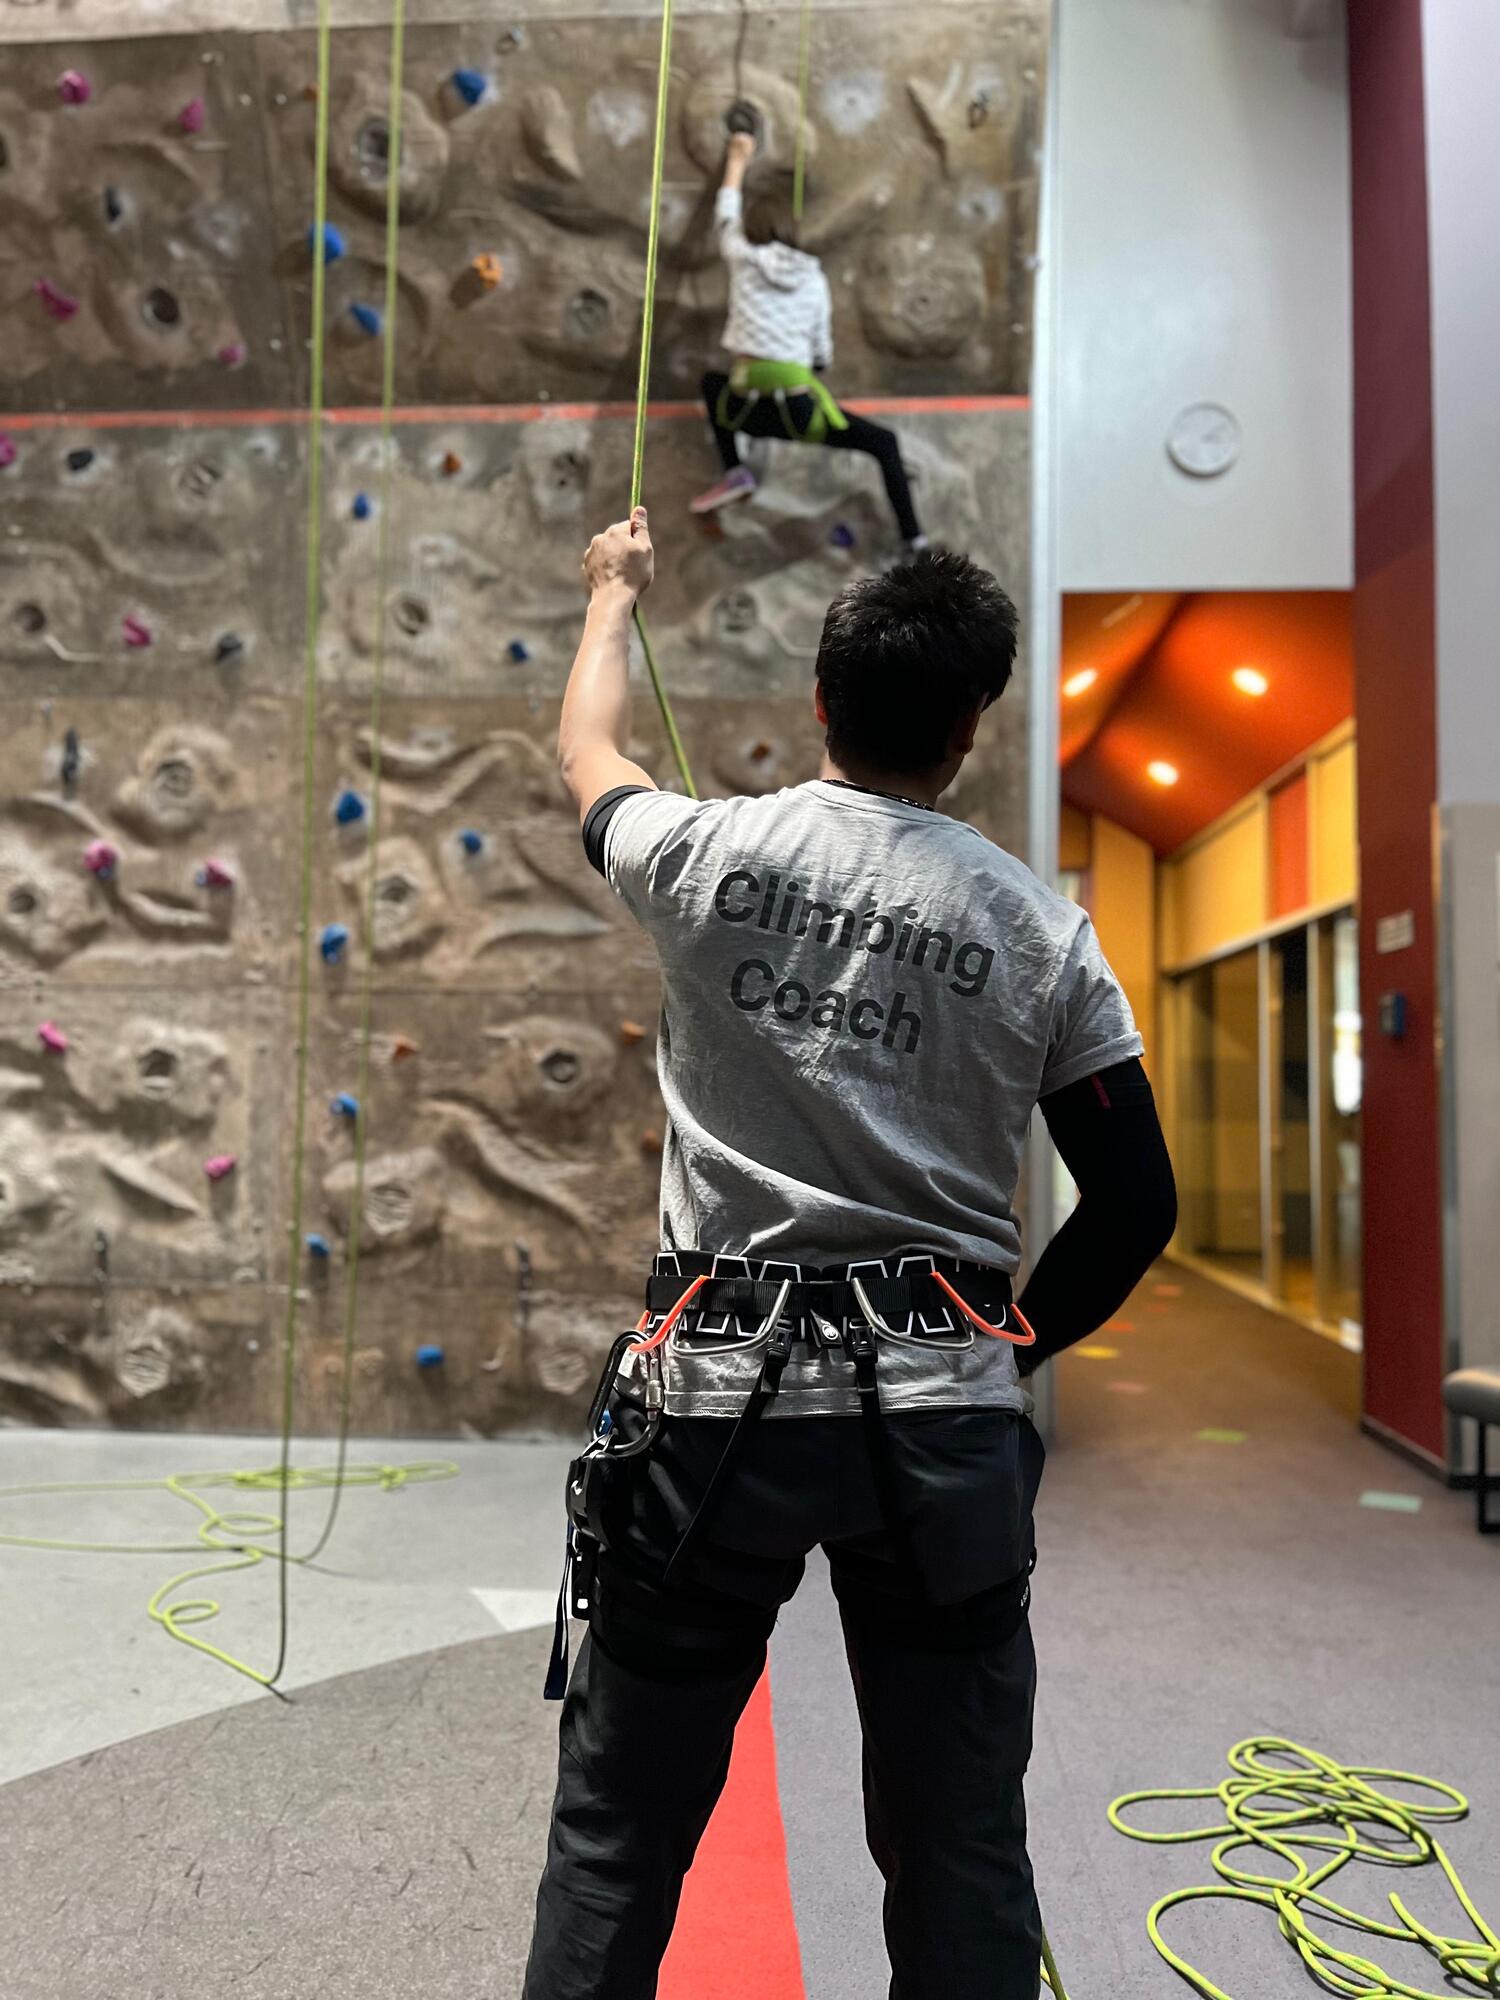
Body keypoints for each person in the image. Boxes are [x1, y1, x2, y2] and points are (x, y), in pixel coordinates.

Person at [522, 507, 1177, 2000]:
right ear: (968, 727)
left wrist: (612, 596)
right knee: (956, 1848)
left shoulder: (703, 854)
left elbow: (586, 755)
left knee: (618, 1837)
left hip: (713, 1417)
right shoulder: (1039, 932)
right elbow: (1135, 1206)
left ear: (822, 700)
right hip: (940, 1422)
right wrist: (1009, 1342)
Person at [692, 128, 928, 552]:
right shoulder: (813, 276)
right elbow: (822, 350)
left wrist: (737, 159)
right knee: (884, 444)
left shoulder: (742, 258)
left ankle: (736, 469)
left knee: (711, 384)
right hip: (800, 410)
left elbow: (724, 214)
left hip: (743, 408)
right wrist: (806, 363)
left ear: (755, 231)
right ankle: (915, 538)